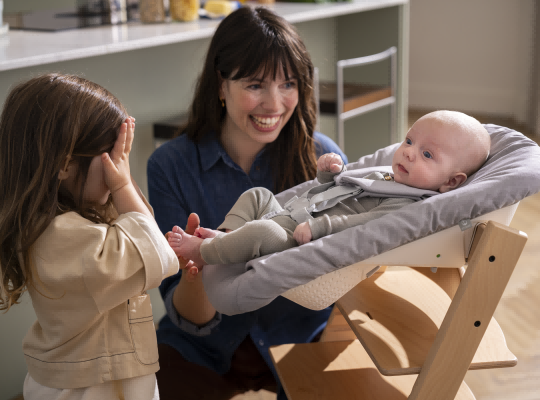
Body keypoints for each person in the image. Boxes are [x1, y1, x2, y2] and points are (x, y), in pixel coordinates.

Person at [146, 6, 347, 400]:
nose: (274, 103)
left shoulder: (322, 159)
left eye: (288, 84)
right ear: (221, 85)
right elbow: (187, 317)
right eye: (255, 85)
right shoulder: (169, 166)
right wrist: (197, 272)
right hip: (202, 346)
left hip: (303, 334)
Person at [0, 74, 179, 399]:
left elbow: (143, 233)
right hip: (90, 389)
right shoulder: (62, 237)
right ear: (65, 165)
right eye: (113, 155)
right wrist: (122, 184)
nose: (119, 168)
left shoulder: (56, 226)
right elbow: (156, 252)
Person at [167, 110, 491, 266]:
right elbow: (336, 192)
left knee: (262, 233)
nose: (408, 152)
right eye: (409, 141)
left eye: (427, 154)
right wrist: (328, 175)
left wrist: (320, 227)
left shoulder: (410, 204)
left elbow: (364, 223)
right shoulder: (386, 175)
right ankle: (226, 236)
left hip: (296, 238)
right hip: (290, 212)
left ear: (451, 181)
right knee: (258, 195)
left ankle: (204, 253)